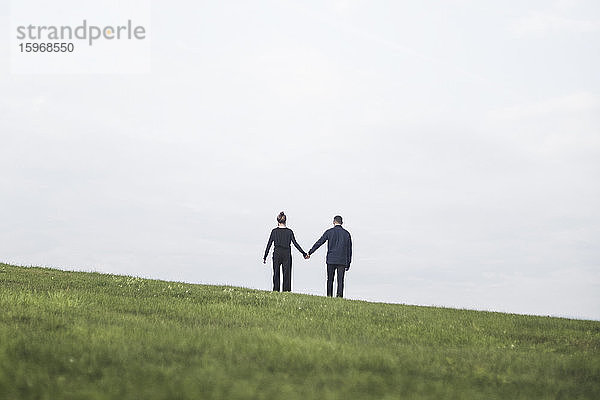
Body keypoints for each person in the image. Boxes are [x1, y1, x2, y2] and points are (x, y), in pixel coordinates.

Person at [306, 215, 352, 298]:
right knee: (340, 280)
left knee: (330, 279)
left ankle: (329, 296)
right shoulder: (346, 234)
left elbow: (319, 242)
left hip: (331, 259)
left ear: (334, 222)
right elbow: (349, 250)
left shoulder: (329, 232)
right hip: (342, 260)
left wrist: (310, 252)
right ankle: (339, 297)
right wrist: (348, 263)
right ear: (342, 222)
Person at [263, 211, 307, 292]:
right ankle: (286, 291)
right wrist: (303, 253)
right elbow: (295, 244)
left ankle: (276, 290)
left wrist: (265, 256)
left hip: (277, 253)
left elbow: (269, 244)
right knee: (287, 274)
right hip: (286, 253)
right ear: (285, 221)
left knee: (276, 273)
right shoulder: (289, 232)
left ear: (277, 221)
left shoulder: (274, 231)